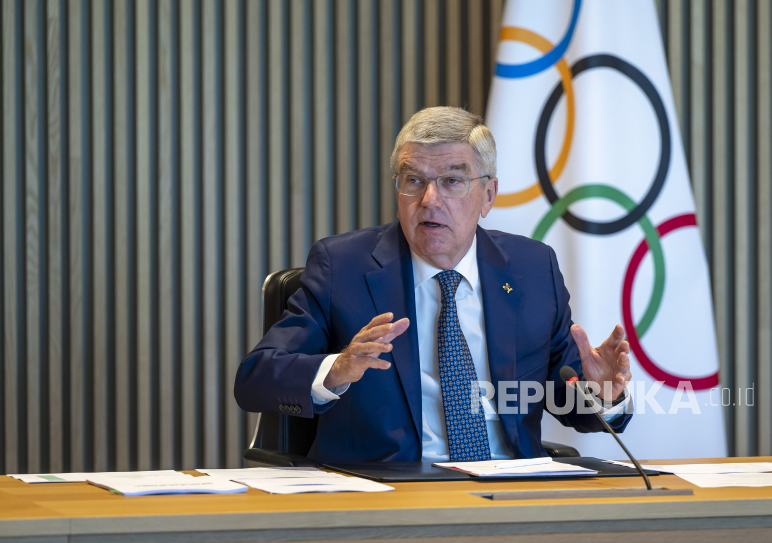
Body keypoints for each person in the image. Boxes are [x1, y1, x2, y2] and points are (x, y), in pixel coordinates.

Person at [234, 107, 632, 463]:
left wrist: (602, 395)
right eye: (413, 180)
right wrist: (336, 369)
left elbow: (565, 400)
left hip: (511, 492)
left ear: (488, 195)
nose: (428, 199)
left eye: (452, 181)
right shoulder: (344, 267)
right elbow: (255, 379)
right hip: (388, 493)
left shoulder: (532, 269)